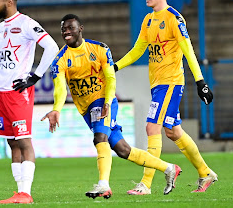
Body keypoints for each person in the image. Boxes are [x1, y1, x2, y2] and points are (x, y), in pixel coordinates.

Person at [41, 14, 182, 199]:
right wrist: (56, 108)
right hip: (86, 109)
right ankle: (169, 168)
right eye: (63, 29)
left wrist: (107, 102)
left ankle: (103, 185)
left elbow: (110, 78)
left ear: (80, 28)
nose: (66, 31)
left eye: (70, 28)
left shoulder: (99, 49)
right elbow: (60, 89)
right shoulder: (59, 60)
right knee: (123, 150)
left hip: (104, 101)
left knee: (100, 138)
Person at [113, 0, 217, 194]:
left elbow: (188, 50)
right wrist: (115, 66)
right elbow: (138, 50)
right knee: (173, 131)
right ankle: (205, 172)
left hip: (171, 82)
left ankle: (146, 184)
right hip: (157, 84)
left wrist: (201, 82)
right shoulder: (148, 20)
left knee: (152, 127)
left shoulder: (174, 18)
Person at [0, 0, 59, 204]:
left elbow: (52, 47)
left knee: (24, 140)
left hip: (17, 91)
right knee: (12, 142)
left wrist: (36, 76)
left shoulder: (27, 24)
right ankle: (19, 191)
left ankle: (26, 193)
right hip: (0, 91)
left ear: (9, 2)